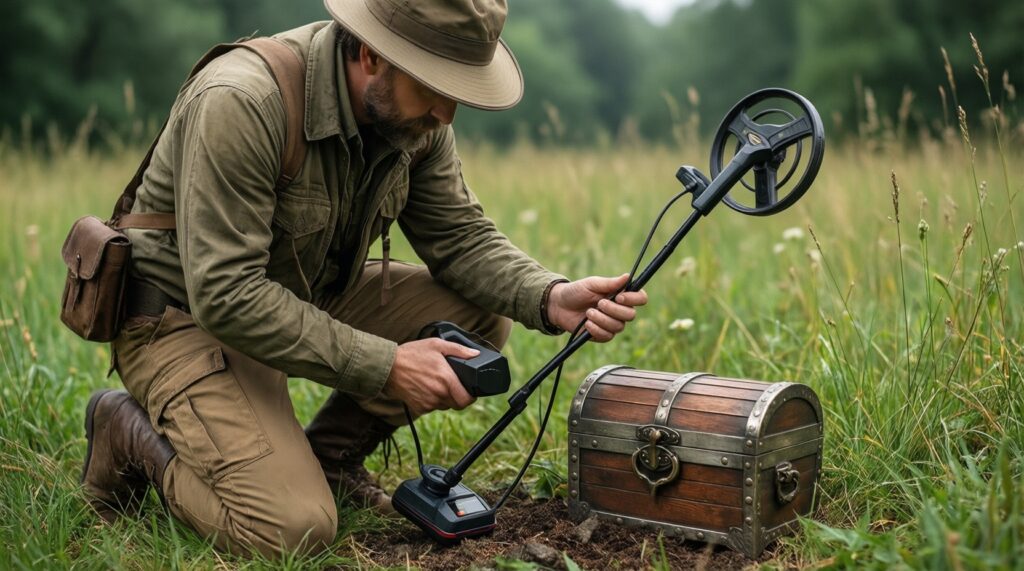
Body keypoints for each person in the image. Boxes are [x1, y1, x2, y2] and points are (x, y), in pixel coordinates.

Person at [80, 0, 648, 558]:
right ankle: (129, 433)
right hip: (180, 319)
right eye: (435, 86)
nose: (447, 115)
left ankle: (330, 461)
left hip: (302, 291)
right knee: (289, 530)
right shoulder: (243, 101)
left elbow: (459, 237)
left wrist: (548, 296)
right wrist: (388, 366)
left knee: (473, 323)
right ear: (373, 56)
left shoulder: (414, 117)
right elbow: (226, 294)